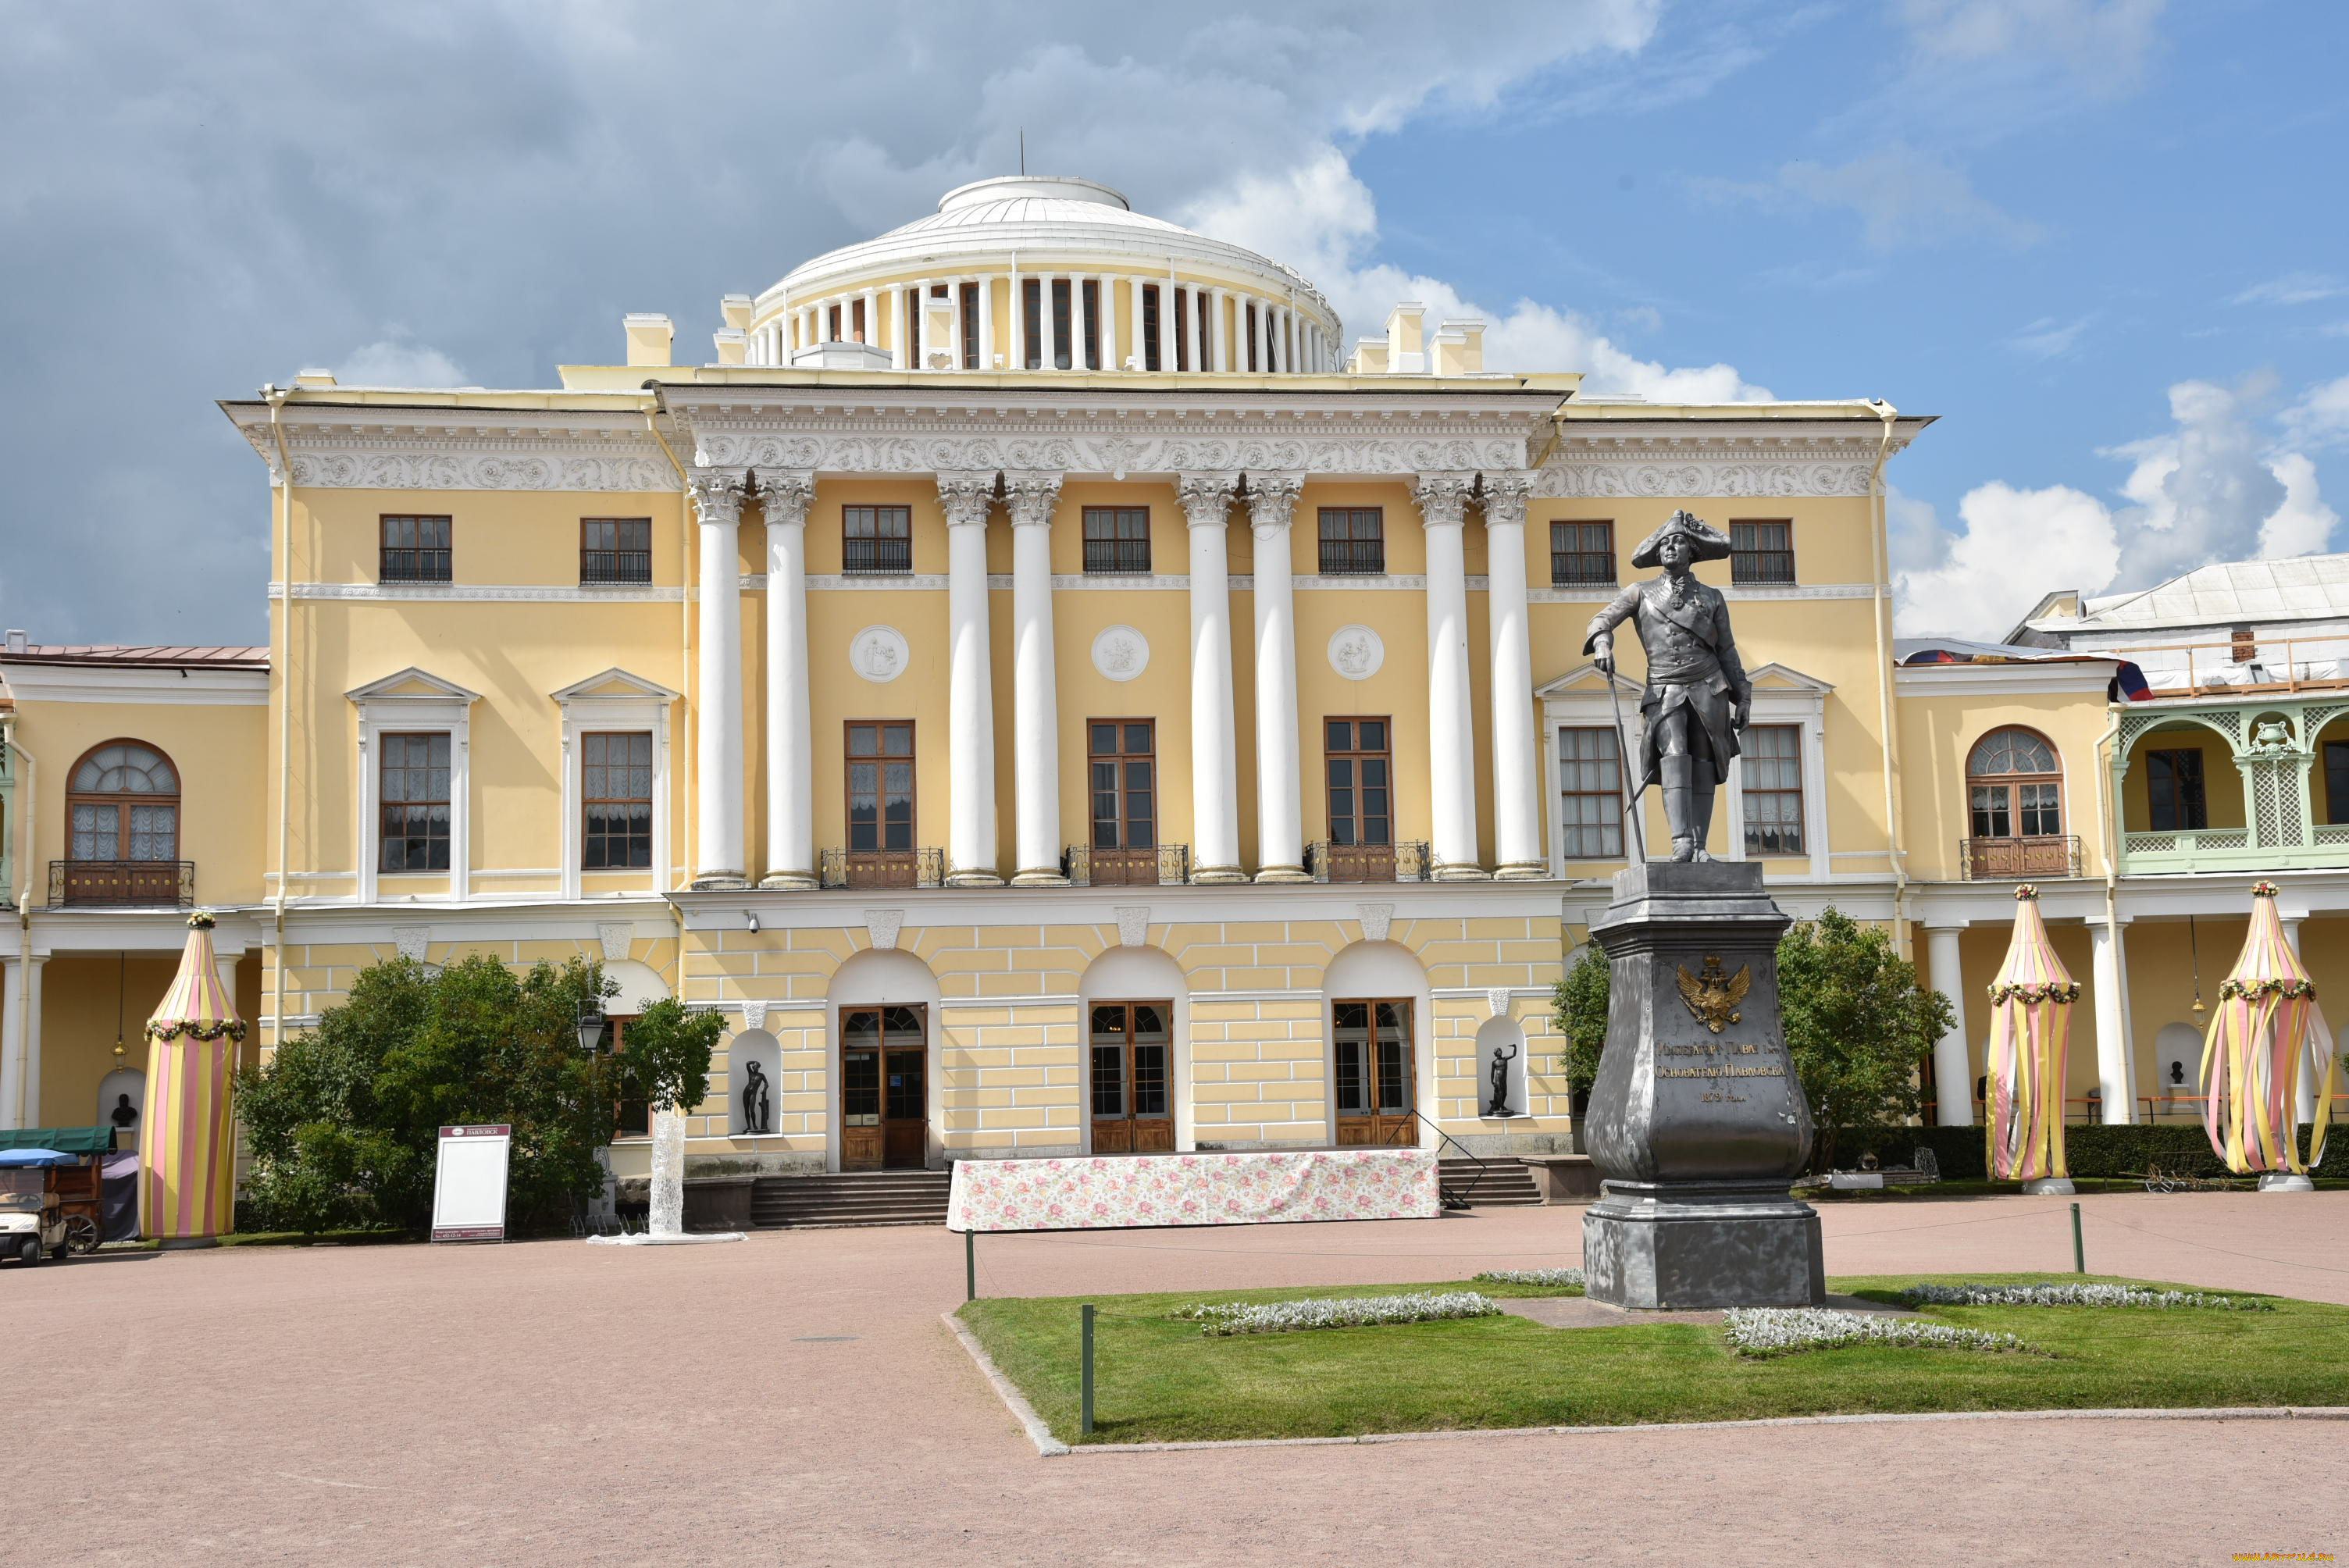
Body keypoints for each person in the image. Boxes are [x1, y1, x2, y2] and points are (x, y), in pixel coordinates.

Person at [1584, 511, 1752, 861]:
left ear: (1692, 551)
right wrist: (1602, 641)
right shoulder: (1640, 592)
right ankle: (1681, 841)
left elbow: (1727, 650)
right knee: (1674, 755)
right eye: (1664, 543)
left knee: (1704, 762)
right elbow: (1601, 619)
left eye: (1677, 542)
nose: (1670, 547)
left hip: (1709, 686)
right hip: (1664, 689)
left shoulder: (1712, 597)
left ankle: (1702, 846)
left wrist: (1744, 697)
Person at [1485, 1042, 1520, 1118]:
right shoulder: (1494, 1062)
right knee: (1500, 1093)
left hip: (1504, 1079)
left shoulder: (1505, 1059)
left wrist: (1515, 1047)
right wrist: (1491, 1081)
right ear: (1496, 1053)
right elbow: (1492, 1072)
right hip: (1497, 1079)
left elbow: (1514, 1055)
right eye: (1499, 1051)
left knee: (1505, 1093)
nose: (1501, 1052)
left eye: (1501, 1051)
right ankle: (1500, 1107)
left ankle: (1502, 1105)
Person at [740, 1059, 772, 1135]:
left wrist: (764, 1089)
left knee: (752, 1110)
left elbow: (767, 1083)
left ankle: (754, 1125)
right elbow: (747, 1063)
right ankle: (749, 1126)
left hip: (753, 1094)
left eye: (757, 1067)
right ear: (753, 1068)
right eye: (755, 1067)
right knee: (746, 1110)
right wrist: (755, 1061)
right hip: (746, 1092)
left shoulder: (761, 1075)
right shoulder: (750, 1073)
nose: (756, 1068)